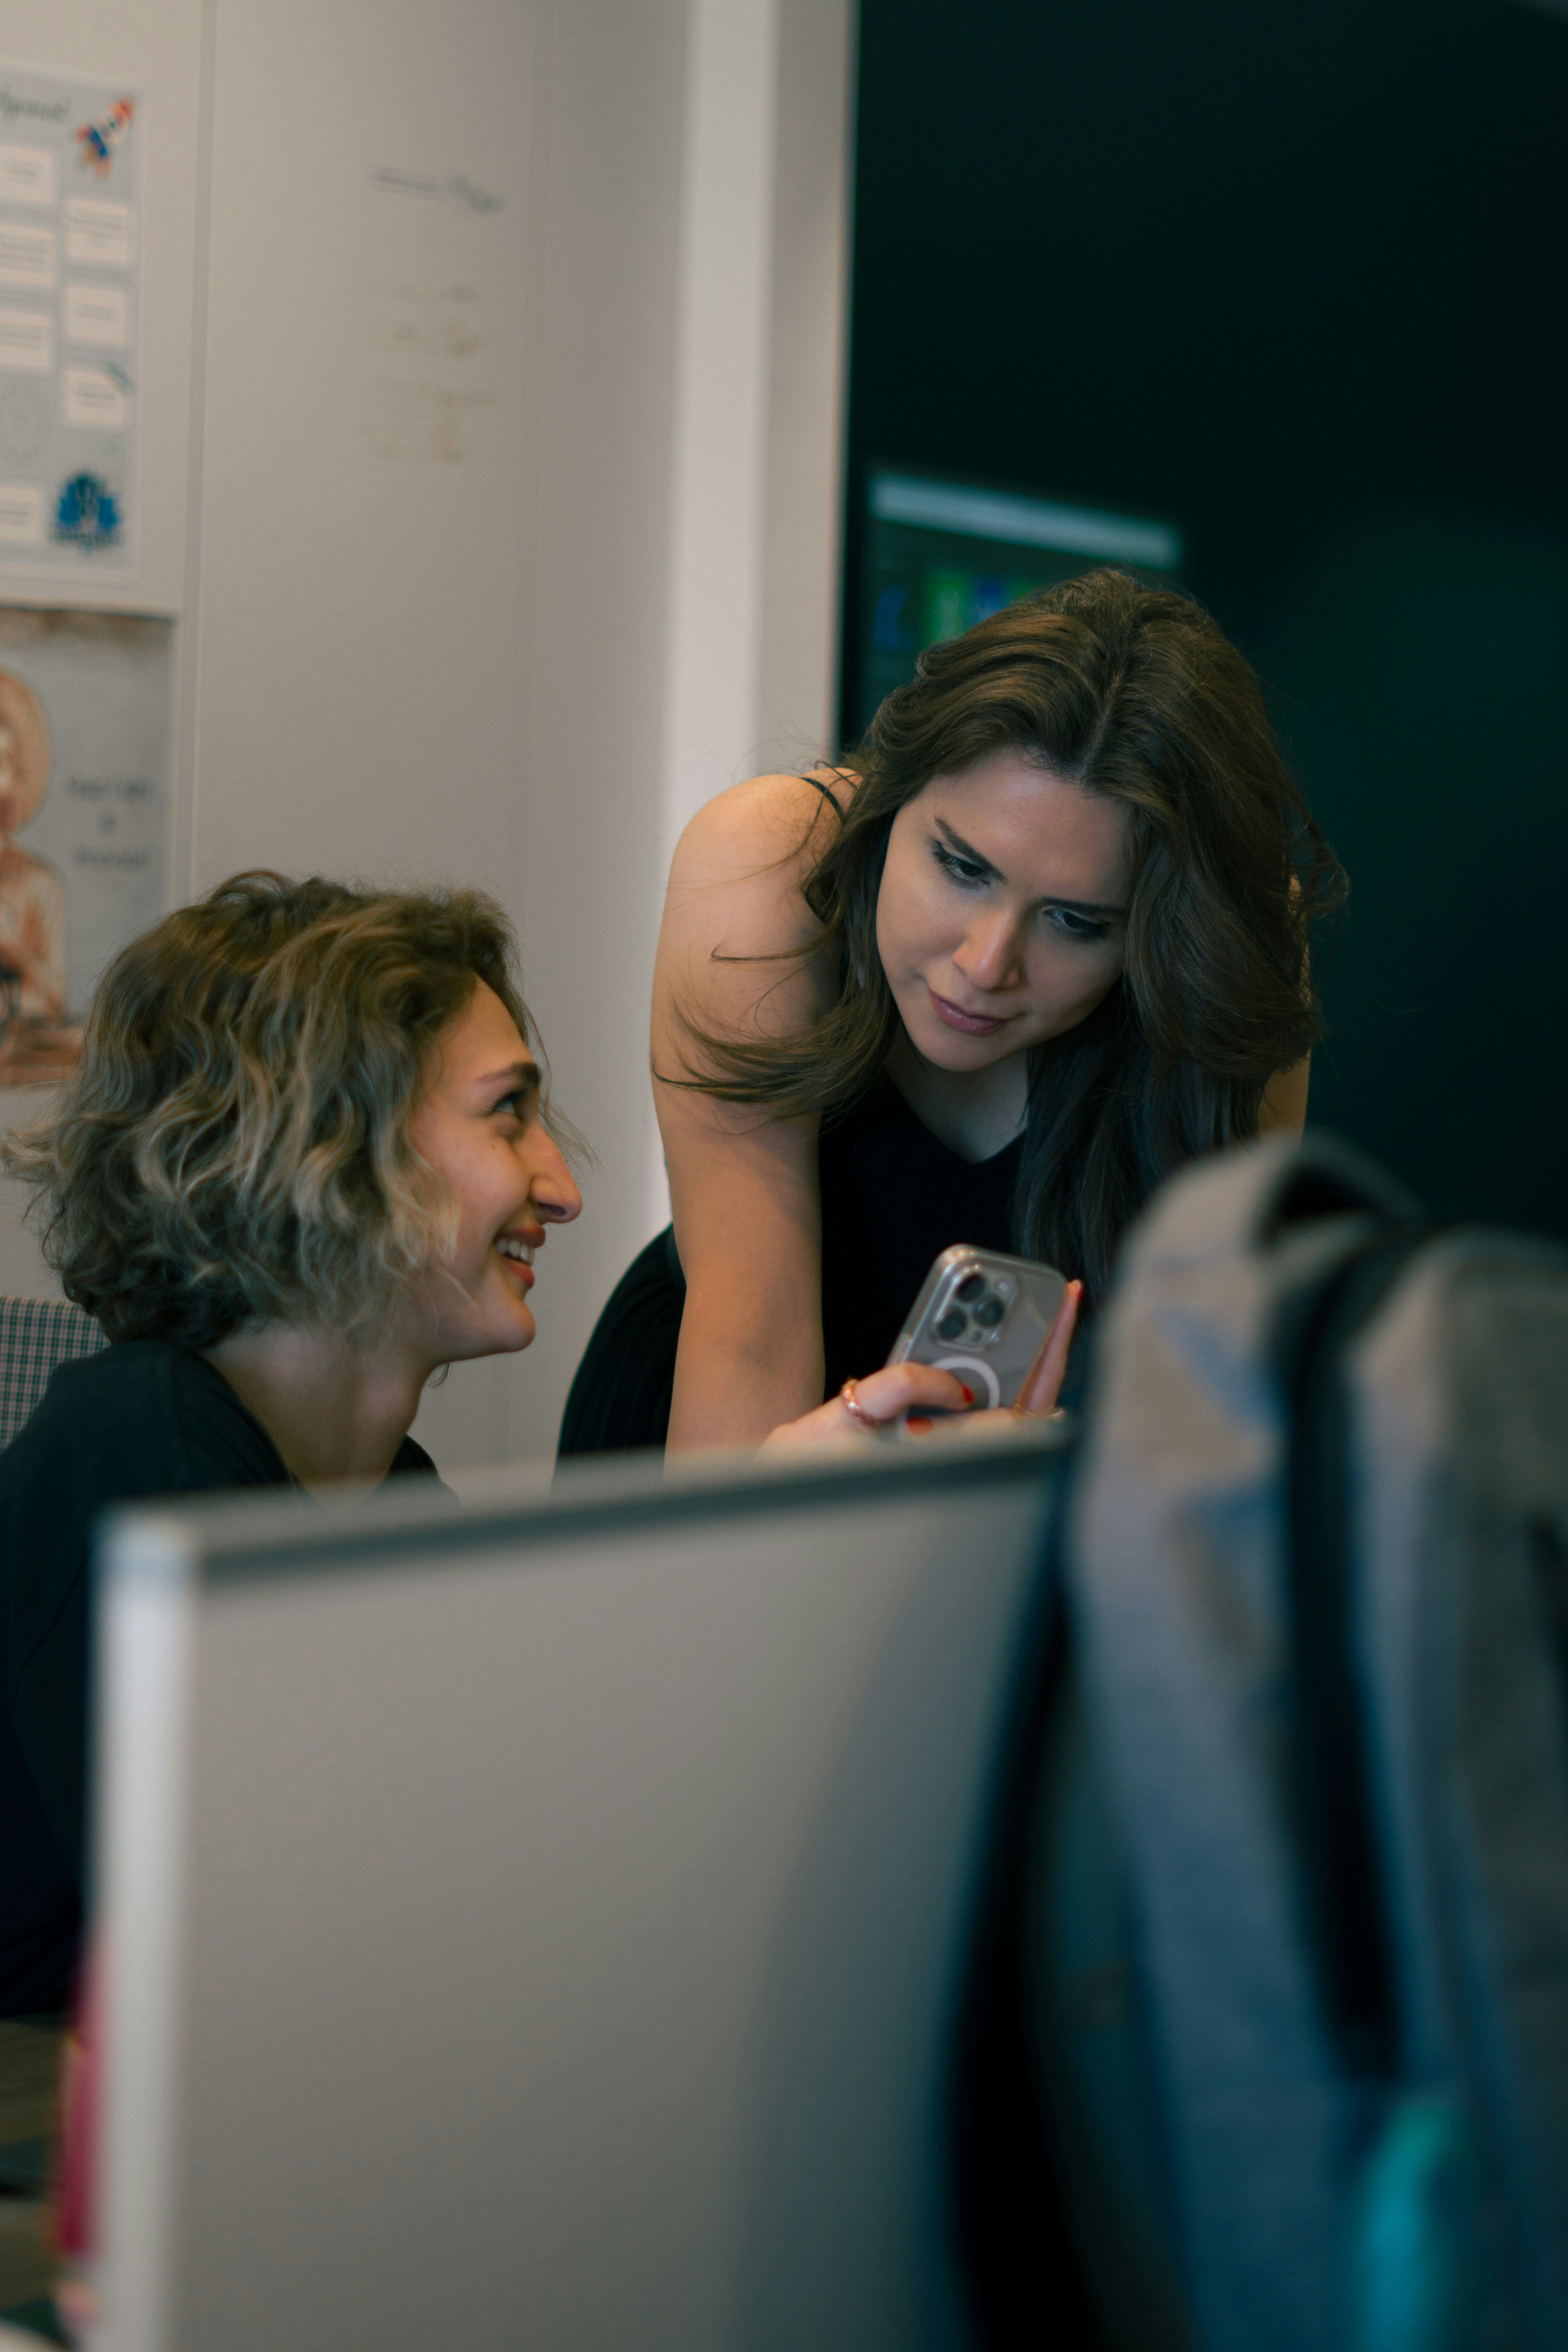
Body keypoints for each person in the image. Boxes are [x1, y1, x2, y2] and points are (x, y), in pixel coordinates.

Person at [0, 870, 1054, 2018]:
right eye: (508, 1113)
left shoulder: (389, 1495)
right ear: (324, 1142)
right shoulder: (131, 1454)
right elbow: (308, 1937)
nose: (562, 1190)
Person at [560, 566, 1344, 1457]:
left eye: (1077, 923)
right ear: (895, 790)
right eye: (962, 868)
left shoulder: (1234, 950)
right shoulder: (771, 861)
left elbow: (1206, 1380)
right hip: (722, 1435)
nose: (984, 966)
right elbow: (751, 1337)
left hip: (1025, 1474)